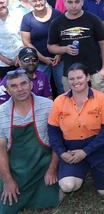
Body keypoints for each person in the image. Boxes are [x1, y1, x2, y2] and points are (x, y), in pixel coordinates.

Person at [46, 63, 104, 199]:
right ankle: (80, 170)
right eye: (71, 79)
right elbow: (53, 132)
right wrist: (62, 153)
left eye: (79, 77)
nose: (75, 82)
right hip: (72, 150)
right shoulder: (59, 101)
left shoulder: (101, 98)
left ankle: (96, 168)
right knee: (68, 186)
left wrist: (86, 152)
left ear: (88, 77)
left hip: (98, 147)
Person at [0, 70, 59, 213]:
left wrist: (52, 170)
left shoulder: (48, 106)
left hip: (43, 164)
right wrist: (8, 181)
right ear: (7, 90)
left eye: (23, 83)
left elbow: (58, 141)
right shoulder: (1, 113)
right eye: (13, 86)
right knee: (7, 206)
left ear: (31, 85)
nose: (20, 89)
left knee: (51, 199)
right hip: (15, 166)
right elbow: (1, 150)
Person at [47, 0, 104, 92]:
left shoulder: (93, 19)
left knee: (99, 103)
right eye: (70, 2)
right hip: (70, 74)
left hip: (94, 71)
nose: (74, 5)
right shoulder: (57, 22)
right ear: (64, 3)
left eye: (77, 1)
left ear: (82, 2)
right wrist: (64, 49)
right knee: (72, 104)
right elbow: (50, 47)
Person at [21, 0, 64, 94]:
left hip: (59, 59)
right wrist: (43, 58)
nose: (38, 3)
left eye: (40, 0)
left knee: (63, 87)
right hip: (39, 61)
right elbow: (26, 42)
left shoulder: (57, 14)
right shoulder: (27, 19)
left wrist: (59, 54)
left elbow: (64, 36)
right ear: (30, 2)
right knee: (40, 89)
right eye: (34, 1)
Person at [0, 0, 22, 79]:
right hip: (2, 63)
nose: (0, 6)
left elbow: (25, 37)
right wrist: (4, 60)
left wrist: (19, 55)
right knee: (6, 89)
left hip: (21, 60)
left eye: (2, 2)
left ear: (7, 2)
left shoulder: (18, 16)